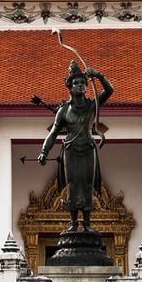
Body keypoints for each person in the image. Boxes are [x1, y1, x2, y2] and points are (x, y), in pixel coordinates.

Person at [37, 59, 113, 232]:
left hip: (87, 148)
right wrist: (44, 151)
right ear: (70, 87)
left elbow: (110, 90)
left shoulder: (91, 105)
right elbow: (53, 133)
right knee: (72, 184)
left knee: (87, 184)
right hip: (70, 150)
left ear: (86, 87)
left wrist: (99, 75)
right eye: (76, 83)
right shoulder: (64, 110)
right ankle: (73, 222)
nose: (80, 85)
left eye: (82, 83)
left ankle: (86, 224)